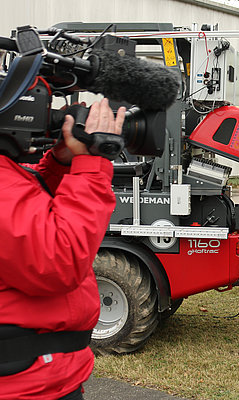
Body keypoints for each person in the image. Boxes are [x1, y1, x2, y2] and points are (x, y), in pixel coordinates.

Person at [0, 98, 126, 399]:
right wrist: (93, 168)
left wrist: (60, 164)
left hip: (38, 380)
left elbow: (30, 213)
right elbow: (57, 262)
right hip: (24, 388)